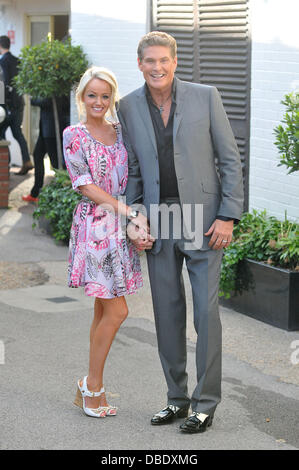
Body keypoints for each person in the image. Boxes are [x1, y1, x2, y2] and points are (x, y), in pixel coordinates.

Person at [118, 31, 244, 433]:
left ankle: (204, 404)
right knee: (167, 312)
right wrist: (135, 219)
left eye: (164, 61)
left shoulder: (206, 96)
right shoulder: (127, 106)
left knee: (205, 313)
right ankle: (176, 399)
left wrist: (227, 215)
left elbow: (230, 159)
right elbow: (135, 170)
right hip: (159, 220)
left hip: (204, 218)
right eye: (149, 61)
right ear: (140, 64)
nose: (157, 67)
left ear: (175, 62)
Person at [63, 66, 146, 418]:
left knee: (103, 308)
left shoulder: (120, 130)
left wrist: (134, 218)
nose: (98, 101)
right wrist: (127, 212)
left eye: (105, 95)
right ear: (82, 97)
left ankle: (90, 386)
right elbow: (84, 184)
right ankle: (92, 385)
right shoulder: (74, 134)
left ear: (112, 98)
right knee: (118, 309)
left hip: (121, 227)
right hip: (96, 228)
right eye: (92, 95)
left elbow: (134, 173)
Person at [22, 95, 70, 202]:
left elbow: (47, 101)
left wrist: (32, 98)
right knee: (37, 155)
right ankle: (35, 193)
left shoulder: (56, 86)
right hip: (45, 129)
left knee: (56, 164)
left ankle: (63, 194)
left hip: (52, 131)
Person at [0, 35, 33, 175]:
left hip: (8, 105)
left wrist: (2, 104)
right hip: (19, 103)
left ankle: (5, 165)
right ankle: (26, 161)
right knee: (17, 133)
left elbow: (4, 84)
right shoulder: (17, 61)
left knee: (1, 133)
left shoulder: (3, 62)